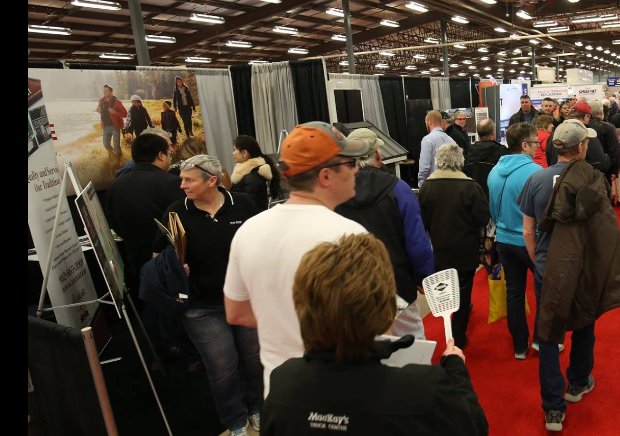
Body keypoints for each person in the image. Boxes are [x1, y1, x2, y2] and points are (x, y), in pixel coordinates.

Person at [260, 233, 489, 436]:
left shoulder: (283, 385)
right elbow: (474, 425)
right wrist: (456, 370)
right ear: (384, 307)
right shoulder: (422, 389)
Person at [224, 123, 373, 397]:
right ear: (326, 176)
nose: (356, 170)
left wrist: (282, 324)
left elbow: (236, 312)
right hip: (339, 390)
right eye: (351, 163)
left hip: (280, 393)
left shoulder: (248, 231)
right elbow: (370, 322)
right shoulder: (350, 236)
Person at [530, 121, 620, 432]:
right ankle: (577, 383)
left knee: (548, 333)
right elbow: (603, 231)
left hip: (548, 267)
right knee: (584, 323)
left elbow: (527, 230)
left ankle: (553, 409)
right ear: (580, 147)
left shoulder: (536, 179)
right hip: (582, 267)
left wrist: (538, 262)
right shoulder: (594, 181)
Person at [166, 155, 263, 436]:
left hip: (246, 300)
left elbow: (264, 242)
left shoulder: (243, 204)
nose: (182, 185)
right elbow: (159, 256)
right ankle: (236, 421)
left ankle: (257, 408)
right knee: (222, 368)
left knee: (254, 360)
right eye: (182, 179)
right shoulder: (176, 212)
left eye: (189, 180)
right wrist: (175, 266)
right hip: (202, 307)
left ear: (212, 181)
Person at [335, 128, 435, 339]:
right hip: (396, 287)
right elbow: (417, 243)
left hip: (354, 289)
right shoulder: (399, 189)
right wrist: (423, 276)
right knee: (410, 345)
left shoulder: (335, 193)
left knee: (366, 345)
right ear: (378, 155)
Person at [105, 133, 185, 320]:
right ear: (160, 155)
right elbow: (181, 222)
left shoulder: (115, 185)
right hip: (169, 261)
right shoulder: (171, 183)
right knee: (176, 310)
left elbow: (112, 222)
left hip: (134, 258)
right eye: (168, 153)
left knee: (151, 309)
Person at [418, 143, 491, 348]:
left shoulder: (427, 187)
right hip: (466, 250)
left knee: (444, 291)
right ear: (460, 161)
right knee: (464, 291)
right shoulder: (471, 187)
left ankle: (446, 326)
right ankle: (458, 335)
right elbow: (483, 218)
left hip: (439, 250)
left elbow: (422, 222)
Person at [487, 122, 543, 359]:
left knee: (514, 292)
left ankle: (519, 346)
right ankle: (541, 341)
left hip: (504, 241)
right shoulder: (535, 173)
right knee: (544, 292)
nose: (538, 147)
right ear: (524, 145)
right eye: (536, 142)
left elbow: (492, 209)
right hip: (531, 242)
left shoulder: (494, 171)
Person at [231, 135, 282, 211]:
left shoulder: (252, 178)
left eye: (234, 150)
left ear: (244, 153)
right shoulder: (248, 174)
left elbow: (249, 207)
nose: (233, 153)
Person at [464, 118, 509, 197]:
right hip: (496, 195)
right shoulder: (502, 152)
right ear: (493, 132)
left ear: (478, 134)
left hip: (474, 195)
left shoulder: (469, 152)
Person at [569, 103, 610, 174]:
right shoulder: (587, 135)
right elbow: (601, 164)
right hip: (584, 175)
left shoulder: (560, 132)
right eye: (589, 117)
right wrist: (607, 158)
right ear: (586, 116)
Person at [589, 101, 620, 186]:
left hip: (587, 168)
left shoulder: (583, 126)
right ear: (601, 112)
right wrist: (615, 170)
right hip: (605, 168)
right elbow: (614, 150)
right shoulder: (608, 127)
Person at [419, 110, 455, 187]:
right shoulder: (451, 140)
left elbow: (424, 168)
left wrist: (421, 185)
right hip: (451, 185)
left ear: (429, 122)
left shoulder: (427, 140)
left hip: (433, 185)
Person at [96, 84, 128, 159]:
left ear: (111, 92)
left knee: (116, 146)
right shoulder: (101, 101)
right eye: (104, 90)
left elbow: (125, 114)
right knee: (106, 145)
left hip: (115, 126)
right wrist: (98, 110)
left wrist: (114, 112)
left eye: (106, 90)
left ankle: (119, 159)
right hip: (105, 126)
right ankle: (114, 155)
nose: (104, 92)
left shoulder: (117, 102)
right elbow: (98, 109)